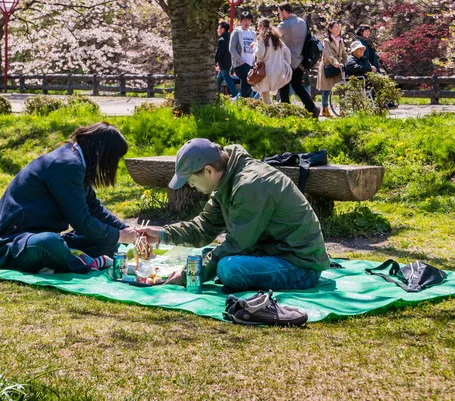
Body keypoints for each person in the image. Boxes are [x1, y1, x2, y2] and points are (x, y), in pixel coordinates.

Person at [137, 138, 329, 294]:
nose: (191, 186)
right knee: (209, 259)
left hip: (300, 265)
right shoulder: (228, 178)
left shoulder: (250, 185)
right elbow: (204, 227)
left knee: (228, 268)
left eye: (191, 180)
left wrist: (190, 274)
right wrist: (162, 234)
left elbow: (237, 245)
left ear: (209, 171)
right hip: (270, 252)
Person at [0, 122, 138, 274]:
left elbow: (94, 209)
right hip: (15, 243)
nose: (115, 166)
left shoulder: (77, 161)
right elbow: (81, 221)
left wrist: (132, 234)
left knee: (107, 242)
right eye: (115, 159)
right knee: (50, 242)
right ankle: (85, 264)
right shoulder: (66, 165)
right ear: (103, 154)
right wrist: (118, 236)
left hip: (41, 235)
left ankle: (64, 260)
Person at [276, 2, 320, 117]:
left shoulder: (284, 25)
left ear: (284, 11)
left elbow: (272, 38)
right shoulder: (303, 22)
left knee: (283, 87)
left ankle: (286, 112)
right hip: (301, 60)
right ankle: (312, 108)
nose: (279, 16)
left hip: (288, 61)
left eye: (280, 13)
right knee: (297, 86)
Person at [249, 18, 292, 104]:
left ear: (261, 26)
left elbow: (259, 53)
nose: (257, 29)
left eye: (258, 27)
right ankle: (270, 109)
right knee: (269, 92)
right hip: (278, 69)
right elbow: (287, 53)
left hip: (265, 70)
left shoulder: (262, 38)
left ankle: (268, 113)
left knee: (265, 92)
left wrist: (254, 46)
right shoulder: (277, 39)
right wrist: (285, 64)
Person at [317, 21, 348, 117]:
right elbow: (328, 54)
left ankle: (343, 110)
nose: (338, 29)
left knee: (341, 89)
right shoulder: (326, 41)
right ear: (330, 29)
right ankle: (325, 109)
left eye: (339, 27)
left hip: (338, 68)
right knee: (327, 90)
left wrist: (346, 63)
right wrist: (335, 63)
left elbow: (344, 54)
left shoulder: (341, 40)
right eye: (335, 27)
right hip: (328, 67)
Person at [229, 11, 257, 99]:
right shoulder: (237, 32)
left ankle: (240, 102)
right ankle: (241, 102)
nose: (246, 22)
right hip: (240, 63)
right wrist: (241, 62)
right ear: (240, 21)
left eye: (248, 20)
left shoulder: (253, 33)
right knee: (247, 83)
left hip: (251, 63)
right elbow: (231, 48)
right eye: (244, 20)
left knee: (249, 84)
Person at [215, 21, 239, 98]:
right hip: (230, 63)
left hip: (223, 64)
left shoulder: (221, 40)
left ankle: (237, 96)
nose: (217, 30)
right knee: (218, 80)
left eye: (218, 28)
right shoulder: (230, 38)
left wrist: (214, 62)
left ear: (222, 29)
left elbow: (218, 53)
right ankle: (217, 95)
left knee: (228, 82)